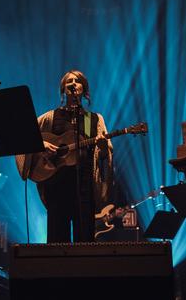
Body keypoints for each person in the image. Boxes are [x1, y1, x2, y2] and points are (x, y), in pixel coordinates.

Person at [17, 70, 113, 243]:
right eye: (68, 81)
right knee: (56, 240)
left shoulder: (94, 119)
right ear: (63, 90)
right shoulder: (50, 117)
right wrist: (42, 144)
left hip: (84, 187)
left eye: (77, 81)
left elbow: (106, 155)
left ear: (84, 88)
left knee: (84, 241)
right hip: (56, 187)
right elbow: (24, 135)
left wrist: (103, 146)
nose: (73, 83)